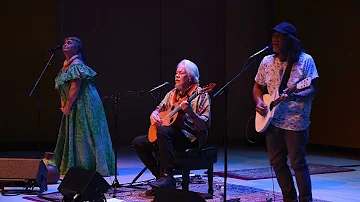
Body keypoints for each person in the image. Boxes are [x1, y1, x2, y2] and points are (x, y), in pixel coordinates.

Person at [253, 22, 319, 202]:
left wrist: (296, 97)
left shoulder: (305, 61)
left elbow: (312, 89)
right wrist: (259, 102)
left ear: (290, 40)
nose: (275, 39)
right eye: (273, 36)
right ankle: (289, 199)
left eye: (279, 37)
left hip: (296, 121)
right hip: (272, 122)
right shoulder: (266, 61)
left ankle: (305, 199)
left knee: (297, 163)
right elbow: (258, 86)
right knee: (277, 163)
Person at [132, 59, 211, 195]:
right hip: (170, 136)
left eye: (181, 73)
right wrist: (154, 115)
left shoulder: (201, 95)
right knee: (138, 142)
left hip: (191, 138)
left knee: (163, 131)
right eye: (176, 73)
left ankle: (168, 177)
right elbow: (158, 109)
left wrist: (191, 113)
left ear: (191, 77)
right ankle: (160, 178)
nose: (177, 76)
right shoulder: (172, 93)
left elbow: (204, 125)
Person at [54, 36, 115, 176]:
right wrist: (64, 104)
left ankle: (90, 166)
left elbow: (75, 87)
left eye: (69, 43)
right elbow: (62, 86)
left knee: (86, 133)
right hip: (74, 103)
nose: (65, 45)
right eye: (64, 43)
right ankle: (76, 165)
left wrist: (68, 105)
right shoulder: (66, 65)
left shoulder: (77, 64)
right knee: (76, 133)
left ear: (77, 47)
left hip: (85, 102)